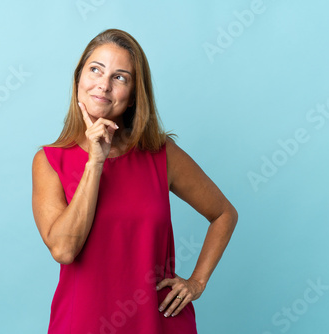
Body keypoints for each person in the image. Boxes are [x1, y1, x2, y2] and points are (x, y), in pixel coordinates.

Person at [32, 28, 238, 334]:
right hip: (83, 324)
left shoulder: (161, 154)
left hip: (159, 324)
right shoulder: (50, 161)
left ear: (132, 97)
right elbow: (63, 250)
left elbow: (223, 214)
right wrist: (95, 162)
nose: (103, 84)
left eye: (120, 77)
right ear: (79, 79)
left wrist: (196, 282)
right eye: (96, 70)